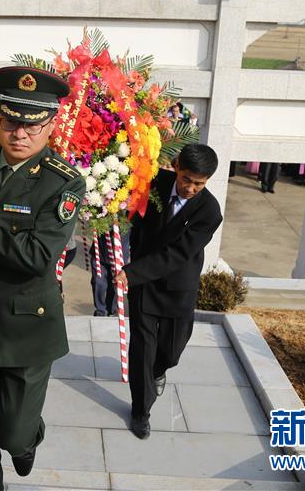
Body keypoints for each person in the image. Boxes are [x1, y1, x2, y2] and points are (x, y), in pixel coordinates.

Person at [0, 66, 85, 491]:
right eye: (10, 122)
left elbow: (38, 255)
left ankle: (27, 440)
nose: (19, 134)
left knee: (13, 433)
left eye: (32, 125)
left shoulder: (63, 183)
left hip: (24, 327)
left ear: (51, 125)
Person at [114, 144, 223, 440]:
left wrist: (132, 272)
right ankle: (141, 411)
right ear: (176, 167)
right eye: (186, 179)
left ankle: (158, 371)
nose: (190, 188)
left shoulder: (209, 211)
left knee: (170, 352)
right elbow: (128, 200)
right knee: (143, 351)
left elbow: (177, 254)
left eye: (199, 184)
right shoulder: (154, 182)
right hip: (144, 285)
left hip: (177, 286)